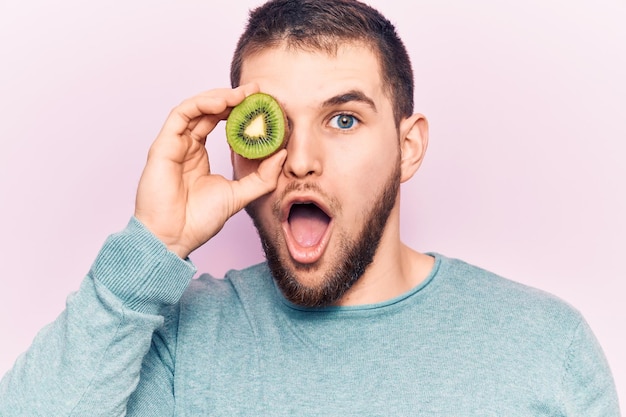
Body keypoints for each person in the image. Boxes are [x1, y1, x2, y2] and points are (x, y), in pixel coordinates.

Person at [0, 0, 620, 415]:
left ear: (408, 148)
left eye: (343, 119)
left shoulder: (544, 347)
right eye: (270, 124)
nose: (299, 160)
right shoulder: (175, 339)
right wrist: (151, 247)